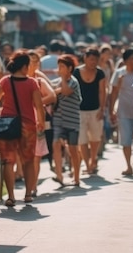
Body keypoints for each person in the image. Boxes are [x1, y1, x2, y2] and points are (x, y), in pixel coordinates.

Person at [0, 51, 46, 207]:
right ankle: (27, 195)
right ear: (25, 66)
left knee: (8, 161)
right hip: (28, 126)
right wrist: (41, 122)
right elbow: (39, 106)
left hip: (7, 125)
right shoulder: (32, 83)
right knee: (28, 161)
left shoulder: (5, 81)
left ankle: (11, 197)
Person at [110, 49, 133, 176]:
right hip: (124, 111)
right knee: (125, 140)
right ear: (125, 61)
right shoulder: (119, 73)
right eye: (132, 58)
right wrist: (111, 110)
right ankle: (128, 165)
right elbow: (113, 92)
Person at [27, 51, 56, 197]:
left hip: (38, 120)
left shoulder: (39, 78)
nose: (34, 65)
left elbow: (52, 95)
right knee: (25, 156)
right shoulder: (18, 78)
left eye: (36, 62)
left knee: (36, 156)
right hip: (23, 121)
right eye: (31, 61)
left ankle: (33, 186)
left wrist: (36, 103)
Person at [73, 48, 106, 175]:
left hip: (95, 110)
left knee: (95, 138)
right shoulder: (76, 72)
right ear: (85, 58)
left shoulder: (100, 73)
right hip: (79, 111)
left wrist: (102, 109)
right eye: (91, 59)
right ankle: (87, 165)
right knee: (82, 140)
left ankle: (93, 158)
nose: (93, 62)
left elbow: (102, 91)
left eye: (96, 60)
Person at [52, 54, 82, 186]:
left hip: (72, 121)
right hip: (59, 120)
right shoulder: (58, 81)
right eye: (59, 66)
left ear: (70, 68)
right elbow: (51, 89)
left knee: (73, 149)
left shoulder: (73, 82)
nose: (60, 69)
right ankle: (59, 175)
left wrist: (63, 79)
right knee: (56, 145)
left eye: (62, 66)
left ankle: (76, 177)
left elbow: (65, 91)